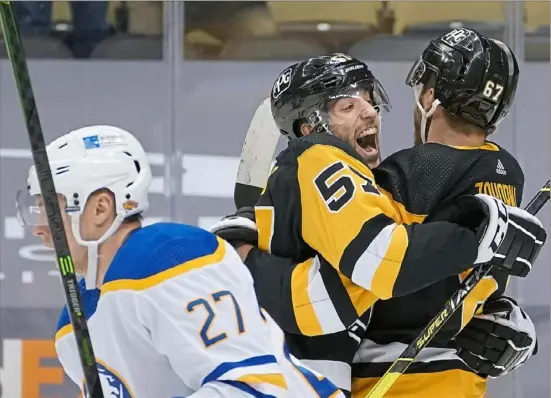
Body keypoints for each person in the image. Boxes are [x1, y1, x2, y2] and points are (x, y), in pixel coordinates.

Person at [209, 37, 546, 397]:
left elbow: (378, 269)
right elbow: (381, 263)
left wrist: (240, 253)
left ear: (430, 96)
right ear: (310, 128)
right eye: (347, 106)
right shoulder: (503, 176)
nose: (370, 112)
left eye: (369, 101)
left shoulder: (403, 176)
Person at [17, 125, 346, 397]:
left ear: (101, 208)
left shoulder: (169, 257)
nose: (39, 228)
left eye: (49, 209)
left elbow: (255, 387)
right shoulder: (73, 326)